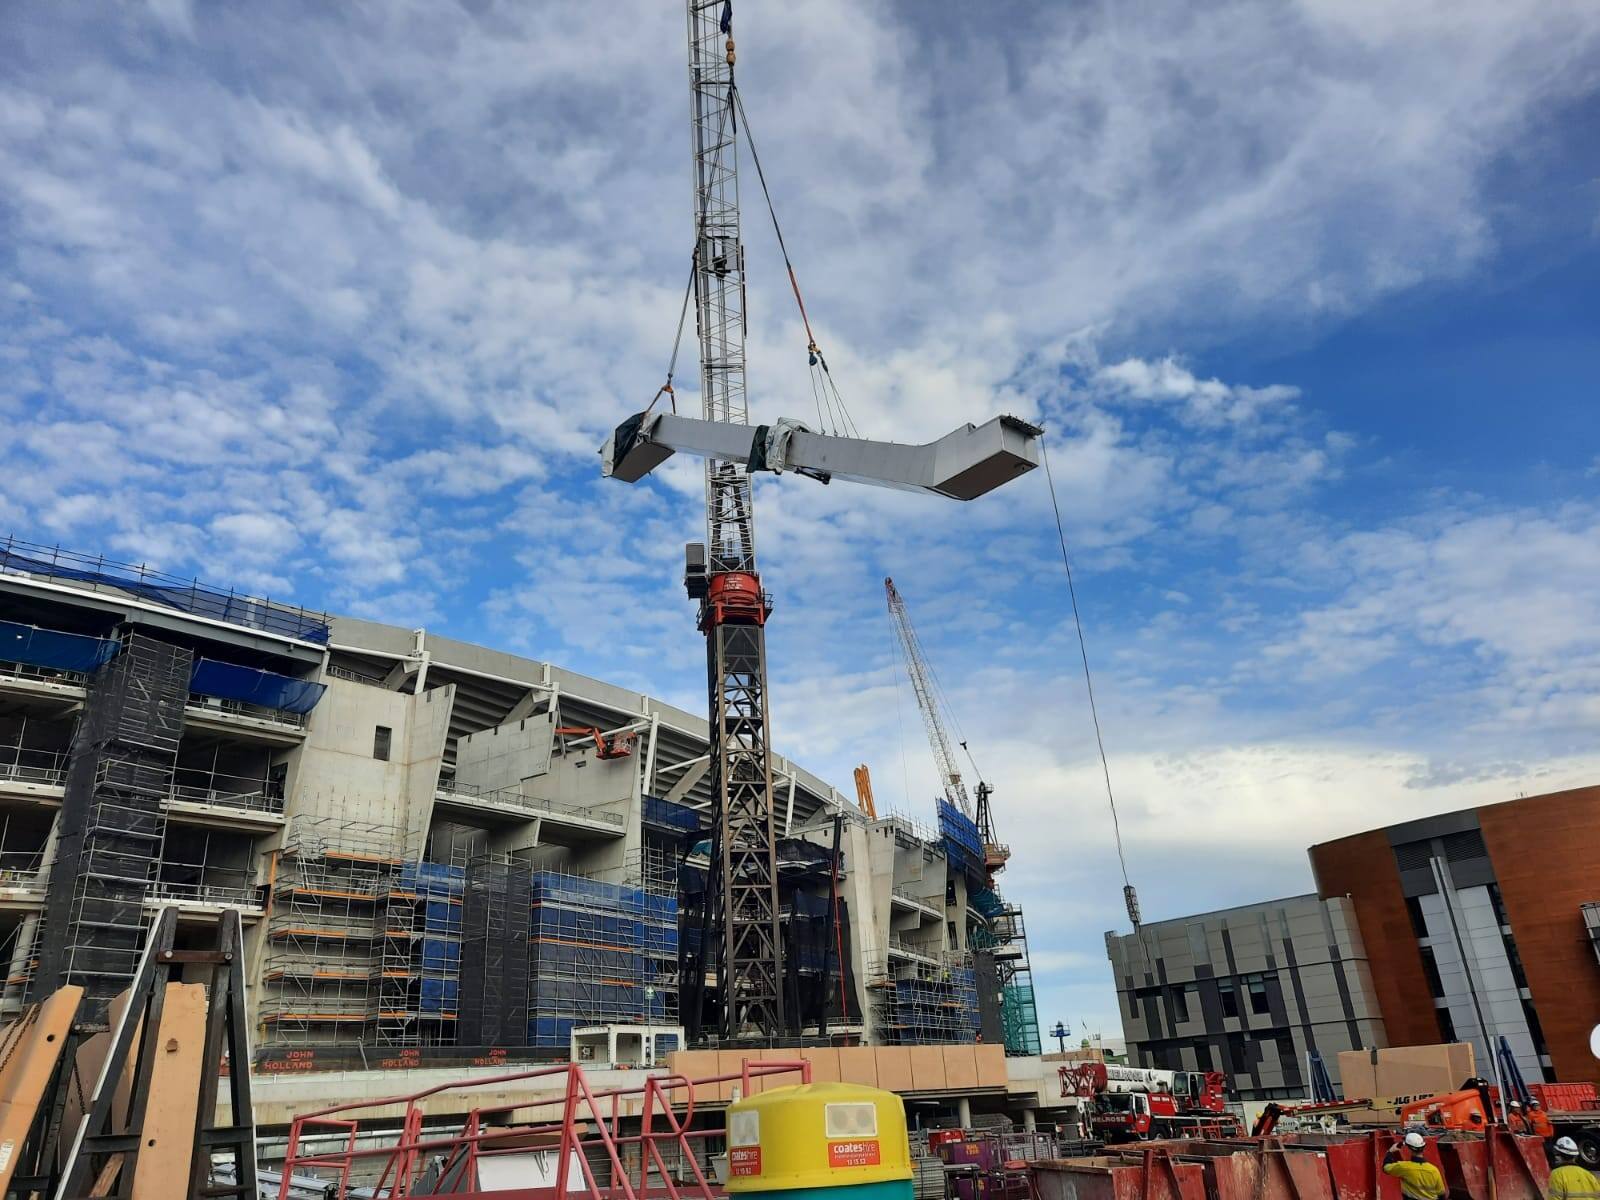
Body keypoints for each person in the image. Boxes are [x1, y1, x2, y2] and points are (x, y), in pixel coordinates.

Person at [1384, 1132, 1447, 1200]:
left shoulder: (1403, 1167)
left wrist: (1390, 1151)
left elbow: (1386, 1168)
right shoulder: (1434, 1170)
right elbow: (1441, 1194)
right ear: (1423, 1148)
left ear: (1409, 1149)